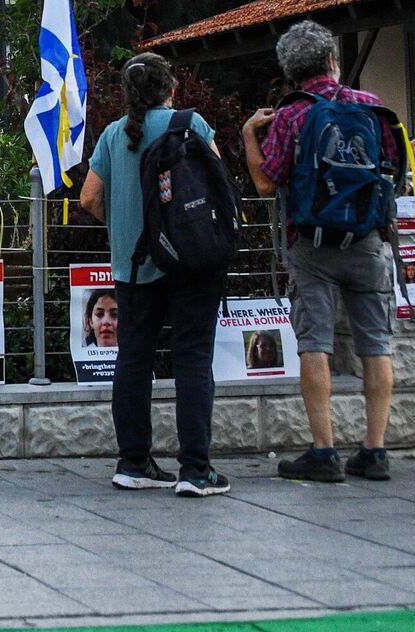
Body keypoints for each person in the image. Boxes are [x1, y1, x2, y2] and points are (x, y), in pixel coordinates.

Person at [242, 19, 415, 484]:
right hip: (369, 243)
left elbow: (267, 182)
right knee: (377, 344)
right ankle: (375, 450)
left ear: (291, 73)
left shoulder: (291, 116)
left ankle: (324, 452)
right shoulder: (372, 108)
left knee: (315, 345)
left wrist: (250, 135)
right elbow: (396, 167)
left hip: (312, 246)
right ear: (332, 60)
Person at [80, 53, 231, 498]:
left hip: (133, 265)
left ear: (127, 95)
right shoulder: (192, 125)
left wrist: (125, 226)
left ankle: (133, 462)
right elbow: (218, 181)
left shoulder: (111, 135)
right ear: (171, 88)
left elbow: (89, 197)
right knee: (192, 359)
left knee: (133, 360)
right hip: (191, 261)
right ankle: (195, 469)